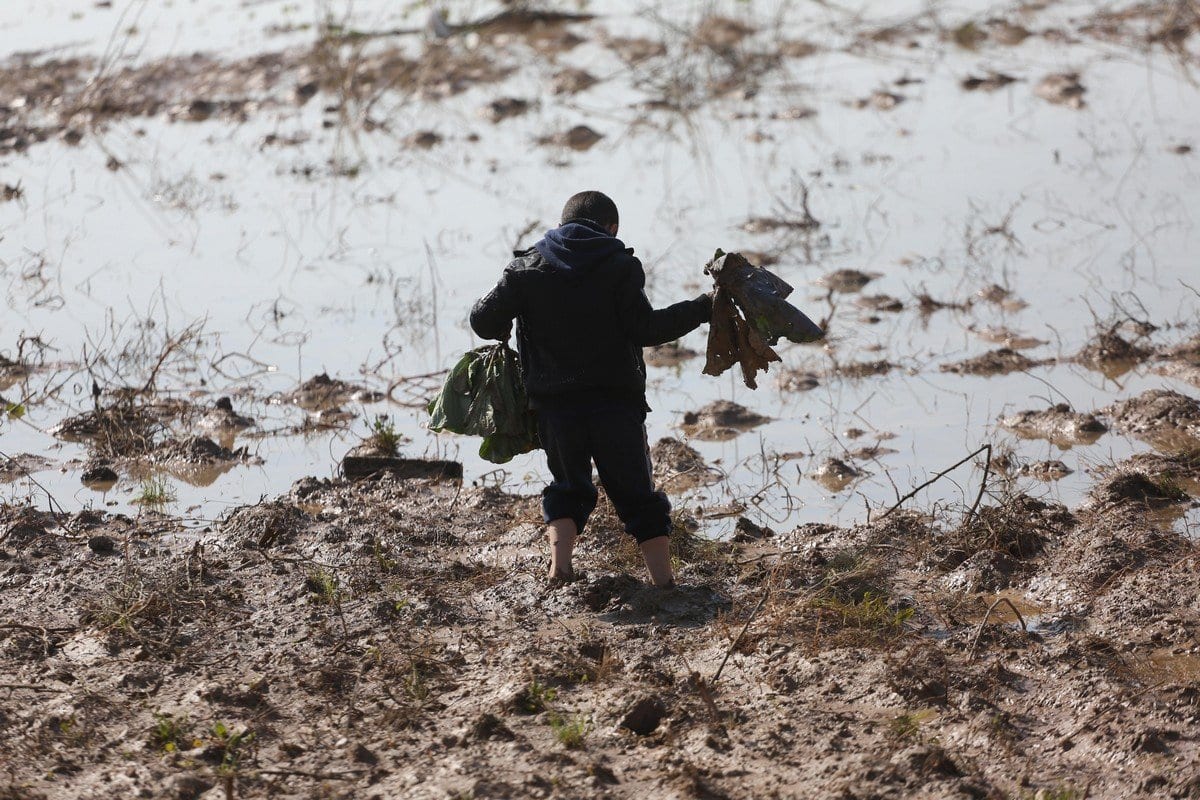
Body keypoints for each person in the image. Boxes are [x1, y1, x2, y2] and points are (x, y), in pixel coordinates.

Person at [470, 191, 712, 587]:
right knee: (637, 495)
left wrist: (506, 320)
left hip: (554, 406)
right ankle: (665, 584)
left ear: (562, 224)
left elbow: (482, 320)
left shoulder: (525, 268)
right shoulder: (619, 266)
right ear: (611, 227)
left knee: (567, 486)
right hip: (614, 405)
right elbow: (647, 329)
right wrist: (703, 307)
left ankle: (559, 570)